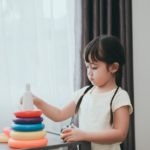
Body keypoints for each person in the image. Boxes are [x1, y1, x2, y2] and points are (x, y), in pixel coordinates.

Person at [31, 35, 133, 150]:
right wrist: (37, 101)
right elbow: (59, 114)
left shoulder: (119, 97)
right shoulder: (83, 93)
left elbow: (120, 134)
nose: (89, 72)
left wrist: (83, 135)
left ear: (113, 67)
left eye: (94, 67)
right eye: (87, 67)